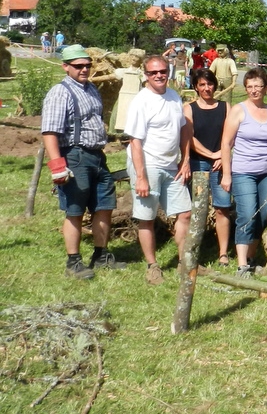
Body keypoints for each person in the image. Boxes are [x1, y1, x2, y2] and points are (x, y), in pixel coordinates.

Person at [41, 44, 127, 279]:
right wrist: (57, 165)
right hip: (75, 156)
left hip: (97, 155)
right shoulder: (60, 92)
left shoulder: (91, 89)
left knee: (104, 206)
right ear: (65, 67)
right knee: (75, 210)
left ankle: (100, 255)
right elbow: (49, 132)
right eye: (78, 66)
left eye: (87, 65)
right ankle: (73, 262)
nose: (84, 69)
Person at [125, 54, 192, 285]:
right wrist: (141, 177)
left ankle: (184, 262)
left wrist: (185, 160)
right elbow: (135, 141)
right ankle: (152, 266)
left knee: (185, 213)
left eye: (162, 71)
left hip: (172, 166)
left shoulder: (174, 97)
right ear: (146, 75)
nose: (159, 75)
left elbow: (183, 130)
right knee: (147, 217)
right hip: (148, 164)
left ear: (168, 72)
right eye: (153, 72)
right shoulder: (141, 102)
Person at [220, 67, 267, 277]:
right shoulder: (238, 111)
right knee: (247, 215)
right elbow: (226, 143)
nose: (254, 90)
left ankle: (250, 259)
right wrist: (227, 174)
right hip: (243, 172)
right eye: (250, 86)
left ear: (266, 88)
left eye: (258, 86)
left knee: (261, 216)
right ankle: (241, 266)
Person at [183, 68, 232, 267]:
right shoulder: (189, 108)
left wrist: (223, 155)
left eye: (209, 84)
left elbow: (231, 134)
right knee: (197, 209)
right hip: (198, 162)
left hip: (221, 162)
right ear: (196, 87)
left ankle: (223, 253)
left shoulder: (225, 107)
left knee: (222, 207)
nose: (206, 88)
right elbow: (189, 138)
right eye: (202, 85)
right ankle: (195, 250)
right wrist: (212, 155)